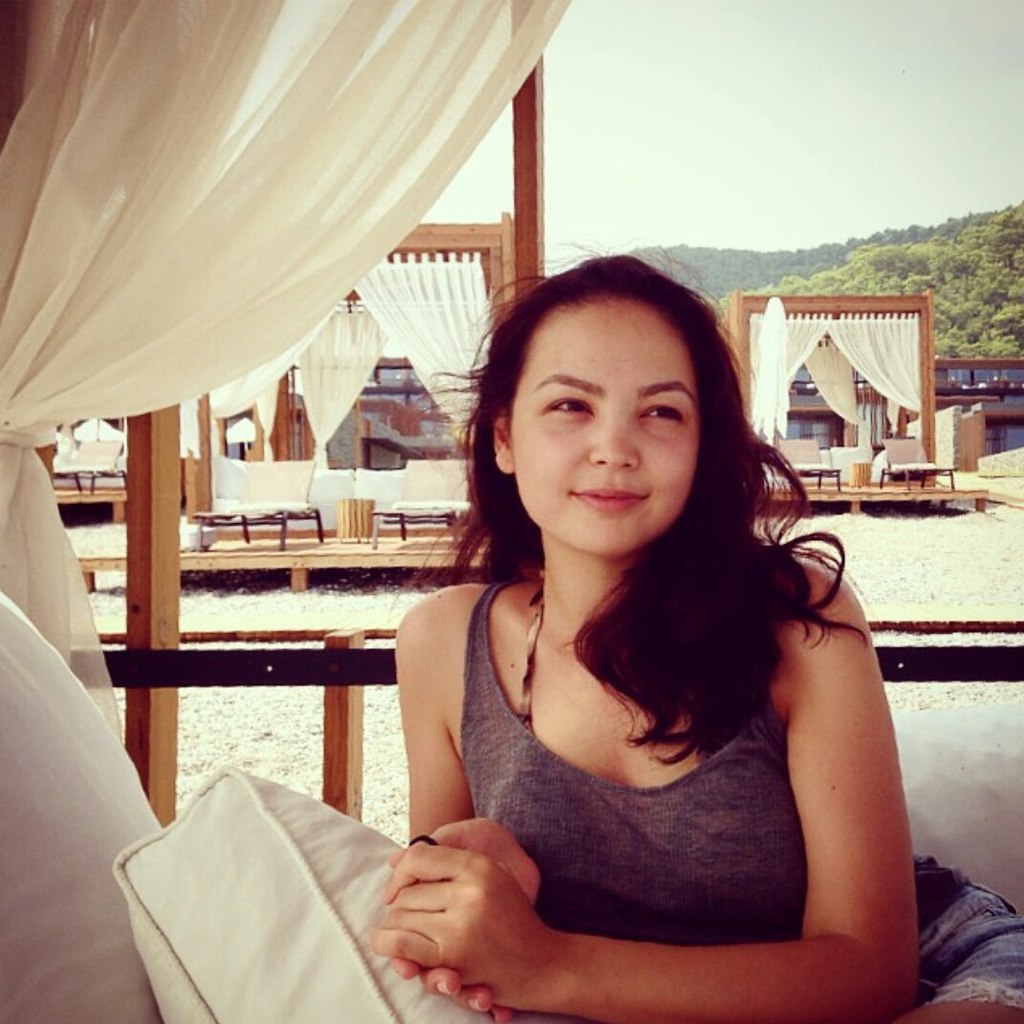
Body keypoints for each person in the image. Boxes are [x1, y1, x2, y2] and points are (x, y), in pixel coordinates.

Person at [370, 255, 1024, 1023]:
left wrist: (550, 965)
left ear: (702, 444)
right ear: (505, 438)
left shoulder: (799, 620)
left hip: (936, 969)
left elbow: (869, 970)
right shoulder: (442, 643)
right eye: (571, 405)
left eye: (661, 412)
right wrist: (475, 872)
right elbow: (447, 919)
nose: (614, 447)